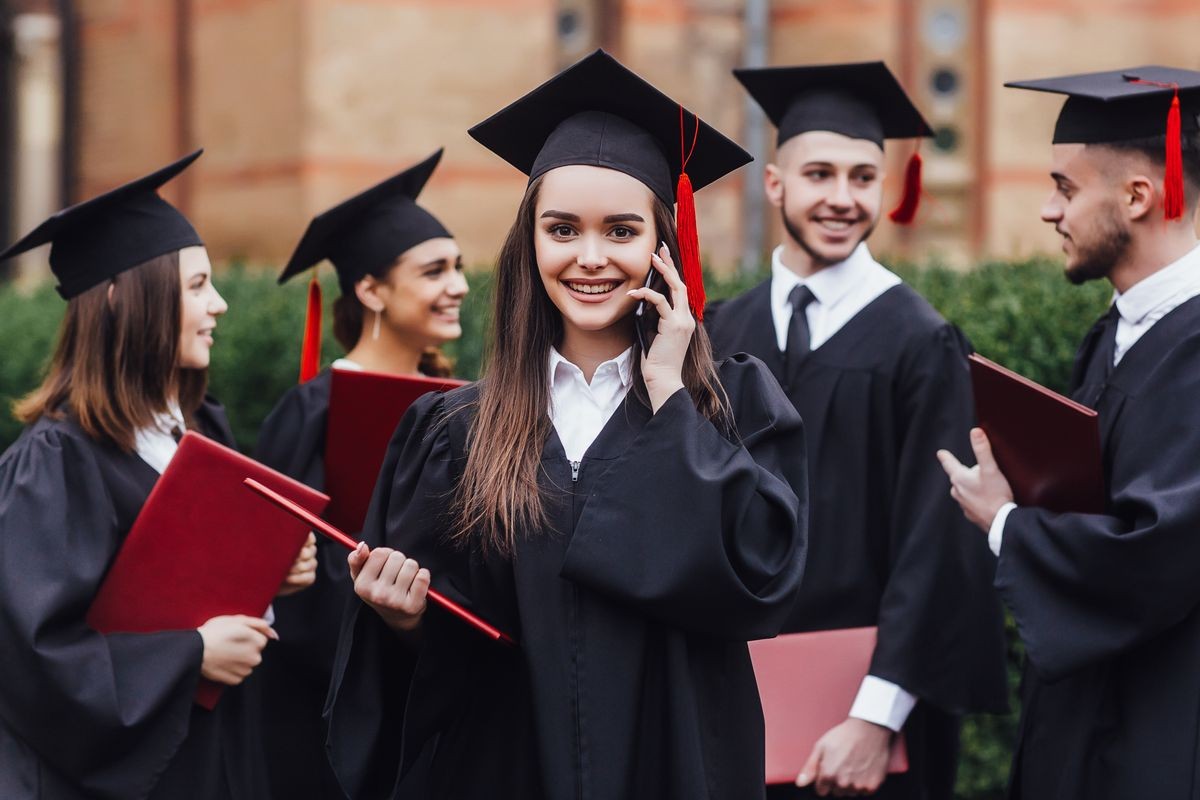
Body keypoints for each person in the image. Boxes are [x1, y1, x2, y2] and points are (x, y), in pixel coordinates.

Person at [325, 49, 809, 800]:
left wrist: (668, 395)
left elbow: (763, 578)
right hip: (508, 770)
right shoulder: (458, 429)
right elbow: (438, 661)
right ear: (531, 244)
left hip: (676, 769)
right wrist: (406, 620)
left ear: (663, 245)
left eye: (621, 232)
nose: (590, 258)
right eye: (562, 230)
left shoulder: (730, 404)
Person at [705, 62, 1008, 799]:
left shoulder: (920, 341)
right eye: (819, 174)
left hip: (869, 721)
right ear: (775, 183)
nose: (842, 199)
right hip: (738, 701)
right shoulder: (721, 329)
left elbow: (938, 542)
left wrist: (878, 717)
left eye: (863, 177)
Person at [0, 150, 316, 799]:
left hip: (213, 762)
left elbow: (193, 586)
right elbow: (36, 661)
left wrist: (268, 571)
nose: (221, 303)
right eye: (197, 285)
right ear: (122, 297)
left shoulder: (198, 432)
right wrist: (192, 653)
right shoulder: (57, 462)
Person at [939, 66, 1200, 800]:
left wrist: (1006, 523)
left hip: (1161, 733)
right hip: (1087, 723)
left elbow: (1157, 551)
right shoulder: (1118, 333)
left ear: (1139, 196)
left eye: (1065, 187)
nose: (1050, 211)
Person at [255, 148, 467, 799]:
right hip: (334, 706)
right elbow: (283, 571)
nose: (458, 285)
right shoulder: (314, 410)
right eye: (434, 271)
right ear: (371, 290)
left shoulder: (465, 401)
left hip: (444, 684)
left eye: (457, 267)